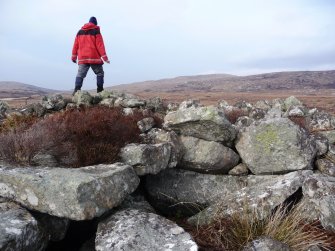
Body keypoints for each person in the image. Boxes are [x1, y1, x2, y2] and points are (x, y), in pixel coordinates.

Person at [71, 16, 110, 95]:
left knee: (80, 75)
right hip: (94, 57)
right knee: (99, 73)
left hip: (82, 58)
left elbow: (75, 45)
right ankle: (100, 91)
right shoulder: (96, 31)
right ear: (95, 23)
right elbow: (100, 45)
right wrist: (105, 58)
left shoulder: (80, 32)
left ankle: (76, 91)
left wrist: (74, 56)